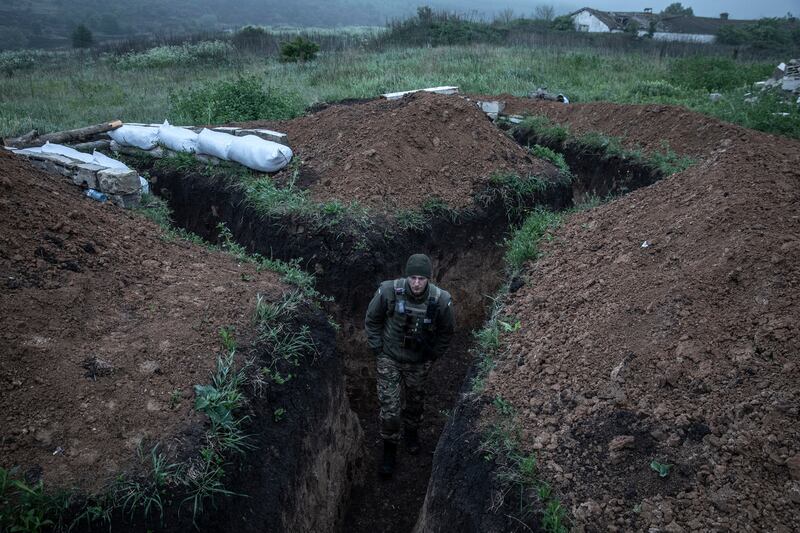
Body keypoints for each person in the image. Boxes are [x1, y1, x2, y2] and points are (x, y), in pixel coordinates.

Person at [364, 253, 455, 478]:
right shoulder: (388, 291)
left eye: (421, 278)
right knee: (391, 411)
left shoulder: (441, 300)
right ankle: (389, 450)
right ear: (407, 276)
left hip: (418, 362)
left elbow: (447, 331)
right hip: (390, 359)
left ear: (428, 279)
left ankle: (412, 433)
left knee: (415, 403)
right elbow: (372, 319)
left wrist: (433, 355)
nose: (416, 283)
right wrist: (377, 349)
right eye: (412, 277)